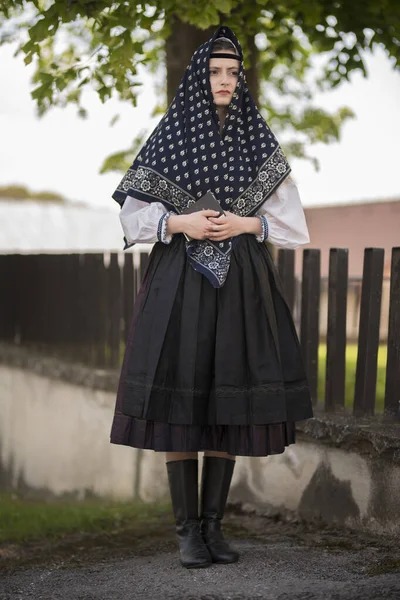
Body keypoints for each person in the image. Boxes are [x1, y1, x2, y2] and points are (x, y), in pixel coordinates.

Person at [110, 26, 313, 569]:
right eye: (215, 72)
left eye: (232, 73)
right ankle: (186, 533)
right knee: (183, 395)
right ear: (200, 78)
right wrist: (182, 221)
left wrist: (245, 223)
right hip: (179, 279)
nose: (224, 81)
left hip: (242, 283)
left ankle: (214, 529)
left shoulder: (256, 139)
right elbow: (131, 215)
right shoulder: (171, 136)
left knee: (229, 394)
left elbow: (292, 226)